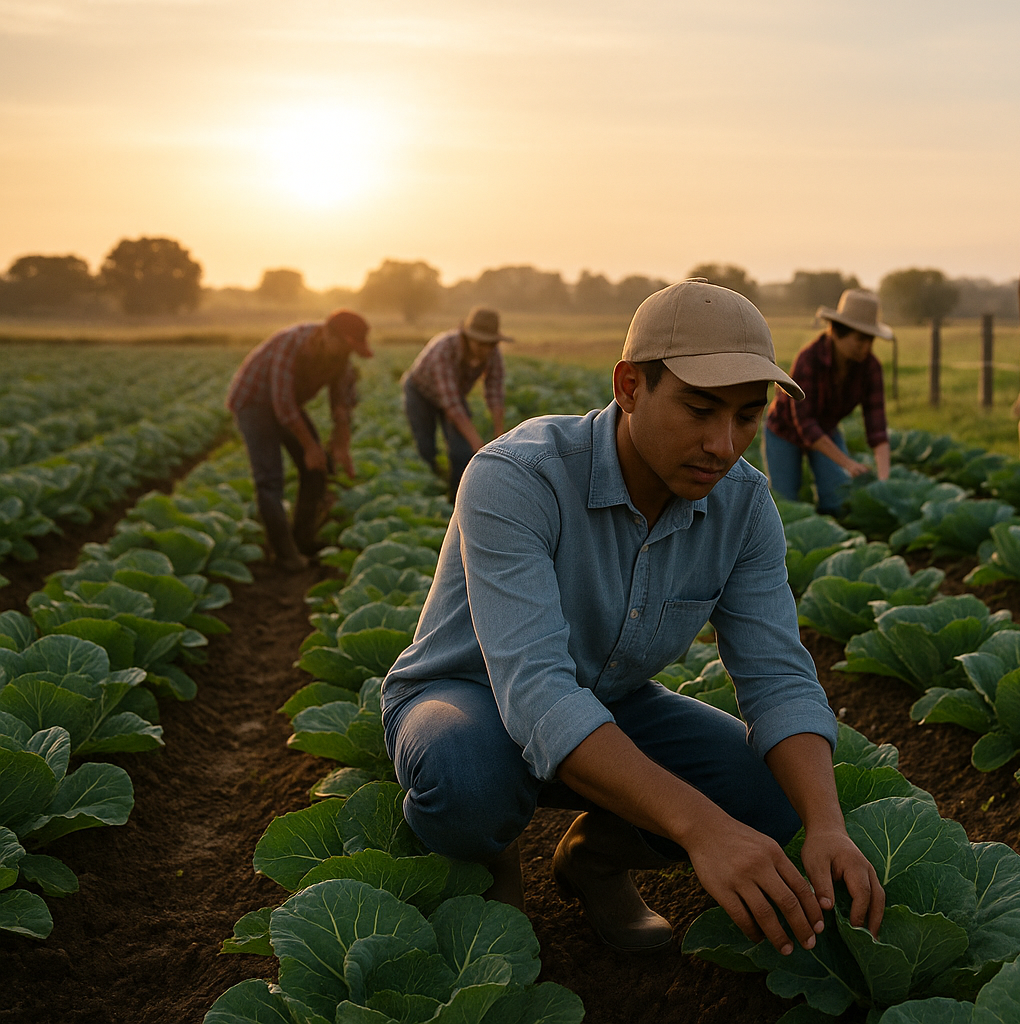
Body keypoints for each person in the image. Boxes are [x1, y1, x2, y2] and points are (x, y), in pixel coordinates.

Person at [381, 279, 884, 956]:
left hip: (606, 700)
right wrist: (702, 830)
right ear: (629, 387)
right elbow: (534, 691)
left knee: (769, 793)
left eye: (746, 416)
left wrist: (827, 824)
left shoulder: (744, 504)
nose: (723, 443)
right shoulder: (515, 477)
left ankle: (594, 857)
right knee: (470, 778)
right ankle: (488, 858)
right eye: (700, 409)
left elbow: (779, 677)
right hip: (466, 697)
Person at [225, 308, 371, 571]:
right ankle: (284, 554)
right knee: (269, 479)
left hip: (288, 405)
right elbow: (283, 406)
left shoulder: (340, 356)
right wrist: (309, 446)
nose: (346, 355)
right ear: (327, 335)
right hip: (254, 403)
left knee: (316, 468)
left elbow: (340, 404)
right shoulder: (291, 344)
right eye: (345, 347)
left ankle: (302, 540)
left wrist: (341, 445)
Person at [762, 288, 893, 514]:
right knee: (785, 503)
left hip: (827, 431)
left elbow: (877, 427)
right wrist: (849, 464)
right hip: (783, 431)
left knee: (837, 496)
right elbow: (806, 425)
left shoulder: (870, 367)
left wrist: (884, 479)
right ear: (837, 332)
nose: (867, 347)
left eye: (870, 339)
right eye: (860, 339)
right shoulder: (809, 359)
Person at [401, 305, 509, 500]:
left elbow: (495, 391)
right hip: (420, 393)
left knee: (462, 452)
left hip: (454, 394)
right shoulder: (444, 349)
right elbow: (452, 406)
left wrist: (499, 434)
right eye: (480, 344)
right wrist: (477, 442)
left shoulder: (492, 353)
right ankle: (429, 489)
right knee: (426, 446)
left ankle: (457, 498)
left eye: (490, 344)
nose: (485, 350)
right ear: (467, 338)